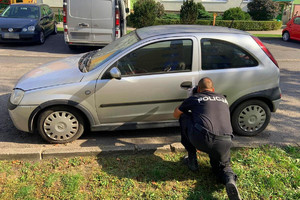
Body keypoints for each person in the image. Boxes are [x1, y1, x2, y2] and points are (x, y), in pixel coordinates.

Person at [173, 77, 241, 200]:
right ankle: (230, 180)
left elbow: (176, 114)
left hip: (204, 139)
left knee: (184, 117)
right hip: (226, 141)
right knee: (221, 166)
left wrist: (189, 101)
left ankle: (192, 160)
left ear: (198, 89)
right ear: (213, 89)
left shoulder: (195, 97)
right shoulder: (223, 99)